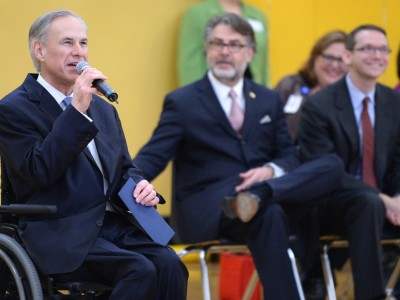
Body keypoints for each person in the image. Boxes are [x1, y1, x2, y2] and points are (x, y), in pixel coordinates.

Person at [134, 13, 344, 299]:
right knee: (270, 212)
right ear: (206, 49)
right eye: (217, 43)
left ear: (250, 53)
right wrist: (128, 183)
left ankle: (261, 194)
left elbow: (287, 156)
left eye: (234, 45)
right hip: (209, 208)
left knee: (330, 165)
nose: (224, 51)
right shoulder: (182, 102)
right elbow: (153, 155)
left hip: (259, 202)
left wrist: (270, 171)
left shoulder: (267, 99)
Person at [0, 10, 188, 300]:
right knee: (139, 270)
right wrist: (75, 111)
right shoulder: (14, 108)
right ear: (39, 50)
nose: (79, 53)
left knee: (170, 264)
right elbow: (39, 170)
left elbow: (125, 168)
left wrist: (141, 186)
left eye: (83, 43)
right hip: (60, 230)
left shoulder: (102, 109)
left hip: (111, 225)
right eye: (67, 43)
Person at [298, 24, 400, 300]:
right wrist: (380, 197)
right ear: (347, 56)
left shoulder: (394, 102)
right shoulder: (319, 105)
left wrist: (397, 197)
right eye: (367, 48)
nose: (377, 55)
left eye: (383, 50)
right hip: (332, 204)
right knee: (367, 204)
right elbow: (324, 170)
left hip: (386, 205)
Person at [275, 30, 347, 142]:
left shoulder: (351, 97)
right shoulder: (291, 85)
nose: (334, 65)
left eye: (341, 60)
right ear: (315, 57)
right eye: (329, 58)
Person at [177, 0, 268, 86]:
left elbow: (263, 63)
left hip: (250, 92)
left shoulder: (257, 15)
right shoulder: (197, 14)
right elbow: (190, 68)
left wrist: (264, 96)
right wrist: (198, 98)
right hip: (211, 92)